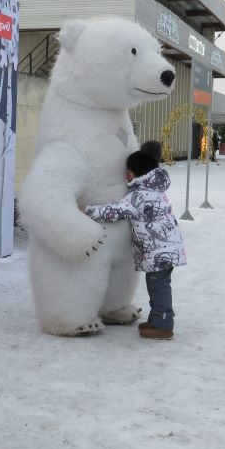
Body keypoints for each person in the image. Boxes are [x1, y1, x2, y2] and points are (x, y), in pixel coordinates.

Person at [85, 141, 187, 340]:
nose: (126, 175)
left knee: (159, 287)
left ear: (138, 173)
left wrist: (90, 210)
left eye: (129, 172)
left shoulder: (140, 196)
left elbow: (117, 210)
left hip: (159, 251)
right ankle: (157, 319)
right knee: (156, 285)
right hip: (164, 249)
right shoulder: (154, 191)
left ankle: (164, 325)